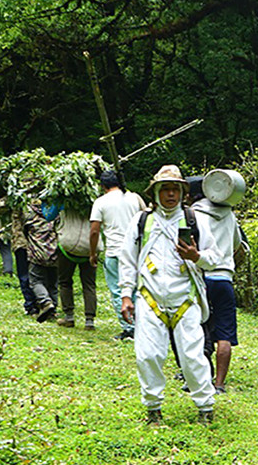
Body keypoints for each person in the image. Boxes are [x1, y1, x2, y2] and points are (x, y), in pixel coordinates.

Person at [119, 164, 221, 425]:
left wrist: (196, 256)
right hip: (149, 297)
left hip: (185, 298)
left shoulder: (195, 220)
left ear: (183, 192)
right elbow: (127, 259)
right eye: (165, 189)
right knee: (147, 355)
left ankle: (205, 407)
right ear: (156, 193)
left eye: (175, 189)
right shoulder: (141, 221)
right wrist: (126, 295)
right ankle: (153, 409)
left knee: (193, 357)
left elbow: (215, 257)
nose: (171, 194)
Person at [192, 182, 246, 394]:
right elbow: (237, 244)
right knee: (225, 334)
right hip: (224, 278)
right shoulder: (229, 214)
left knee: (198, 327)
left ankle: (198, 377)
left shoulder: (193, 213)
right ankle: (219, 384)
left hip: (201, 276)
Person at [90, 172, 143, 341]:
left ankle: (129, 328)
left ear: (103, 186)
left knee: (118, 290)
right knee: (136, 288)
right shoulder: (135, 198)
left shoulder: (101, 202)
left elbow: (94, 231)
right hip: (136, 250)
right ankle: (141, 325)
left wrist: (93, 253)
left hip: (114, 251)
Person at [54, 204, 98, 330]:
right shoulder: (95, 202)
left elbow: (49, 215)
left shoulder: (64, 201)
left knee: (65, 281)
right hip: (90, 245)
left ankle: (69, 317)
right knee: (89, 284)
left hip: (68, 245)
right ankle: (89, 321)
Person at [22, 200, 58, 322]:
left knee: (36, 281)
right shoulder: (56, 216)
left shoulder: (31, 218)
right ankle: (53, 309)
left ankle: (45, 301)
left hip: (37, 255)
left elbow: (24, 231)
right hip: (54, 254)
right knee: (53, 283)